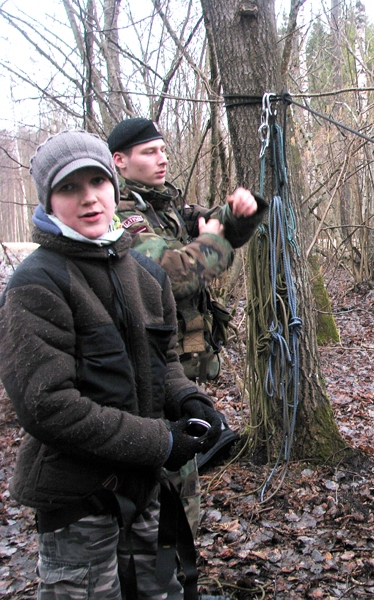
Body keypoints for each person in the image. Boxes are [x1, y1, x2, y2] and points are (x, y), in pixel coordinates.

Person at [0, 130, 221, 598]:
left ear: (113, 186)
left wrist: (190, 399)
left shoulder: (144, 272)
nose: (88, 199)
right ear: (49, 200)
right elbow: (49, 407)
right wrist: (160, 441)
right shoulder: (35, 286)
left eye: (97, 183)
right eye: (68, 188)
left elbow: (163, 361)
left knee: (161, 591)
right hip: (77, 500)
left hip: (145, 489)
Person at [108, 117, 267, 533]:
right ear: (119, 161)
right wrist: (212, 240)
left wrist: (238, 214)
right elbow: (169, 272)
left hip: (176, 368)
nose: (162, 159)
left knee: (182, 472)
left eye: (163, 150)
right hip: (144, 366)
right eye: (150, 152)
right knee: (156, 475)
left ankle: (176, 563)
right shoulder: (120, 214)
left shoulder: (162, 205)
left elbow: (210, 221)